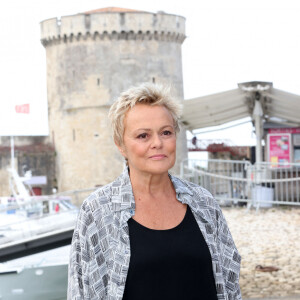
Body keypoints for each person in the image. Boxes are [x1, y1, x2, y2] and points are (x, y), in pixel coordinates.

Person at [68, 83, 242, 300]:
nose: (157, 143)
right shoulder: (98, 211)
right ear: (121, 145)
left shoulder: (203, 202)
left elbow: (230, 284)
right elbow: (82, 292)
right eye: (143, 136)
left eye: (166, 132)